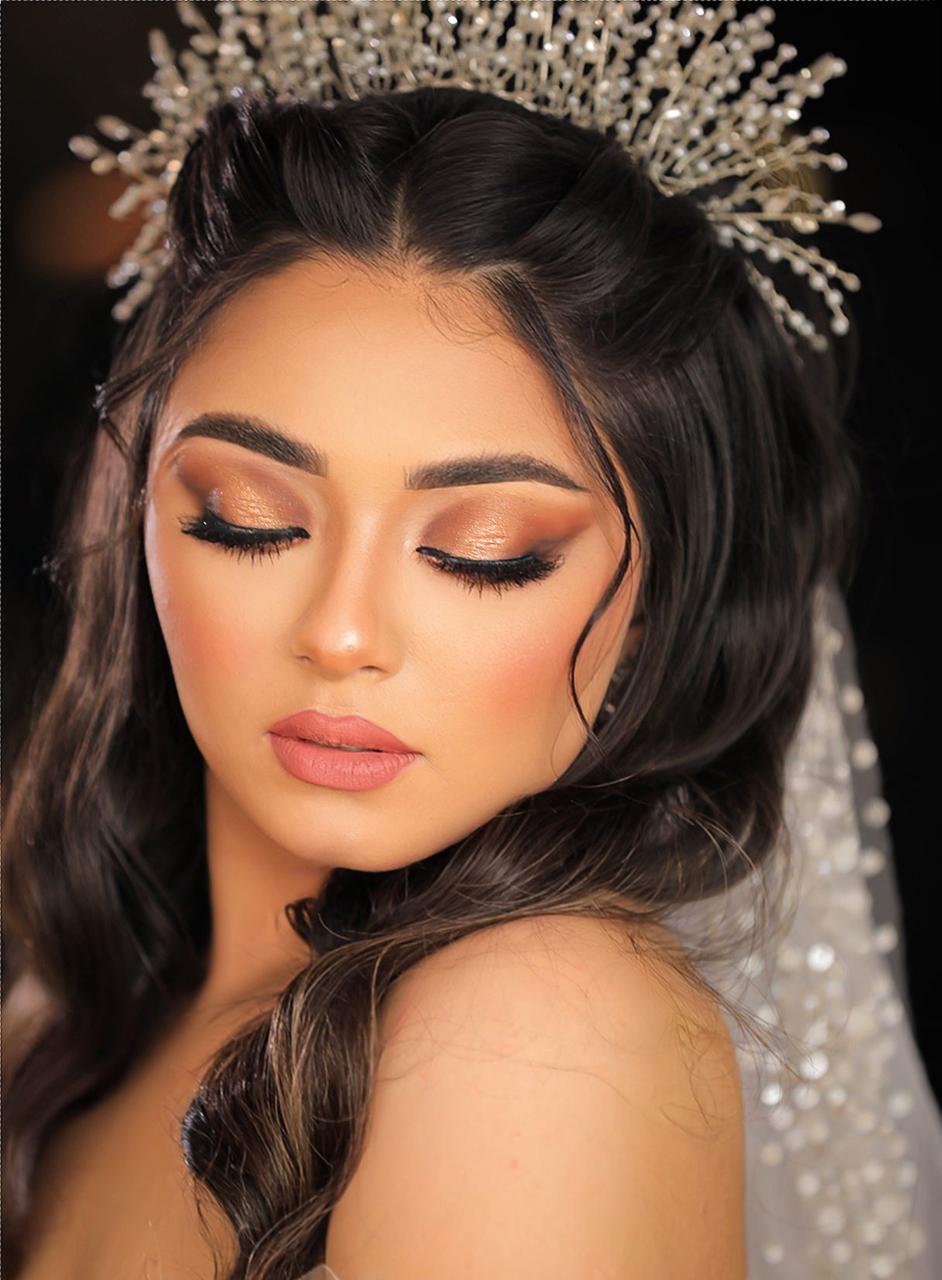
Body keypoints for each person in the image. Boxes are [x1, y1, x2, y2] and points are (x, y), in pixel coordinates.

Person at [3, 3, 941, 1278]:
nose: (340, 631)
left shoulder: (534, 1026)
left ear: (657, 598)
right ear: (139, 510)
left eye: (484, 553)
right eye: (247, 518)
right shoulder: (62, 1028)